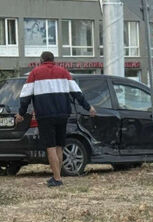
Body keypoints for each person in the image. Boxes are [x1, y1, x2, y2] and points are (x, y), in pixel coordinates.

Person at [15, 51, 96, 187]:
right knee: (59, 146)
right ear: (53, 60)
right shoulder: (64, 72)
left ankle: (57, 179)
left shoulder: (34, 73)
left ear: (41, 60)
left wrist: (21, 114)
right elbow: (77, 93)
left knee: (50, 147)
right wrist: (88, 108)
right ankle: (57, 176)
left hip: (45, 116)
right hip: (62, 115)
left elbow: (25, 97)